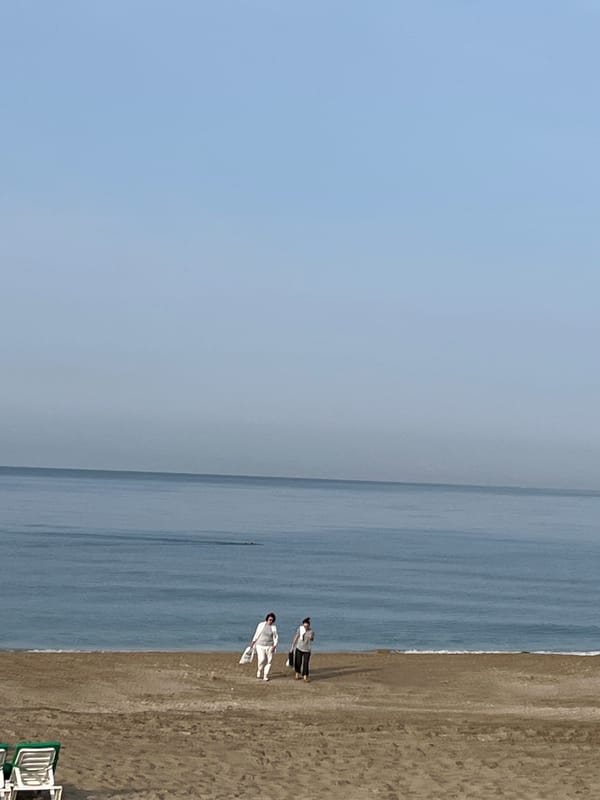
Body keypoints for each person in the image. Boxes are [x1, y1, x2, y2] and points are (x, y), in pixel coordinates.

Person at [249, 612, 278, 681]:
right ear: (267, 619)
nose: (270, 621)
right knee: (261, 659)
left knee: (269, 661)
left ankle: (265, 675)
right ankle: (259, 670)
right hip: (260, 645)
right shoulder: (261, 625)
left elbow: (275, 637)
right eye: (269, 619)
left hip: (269, 645)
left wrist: (275, 646)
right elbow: (257, 633)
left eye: (272, 620)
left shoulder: (274, 627)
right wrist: (253, 642)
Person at [291, 617, 315, 682]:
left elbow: (312, 639)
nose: (305, 627)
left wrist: (311, 637)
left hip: (307, 649)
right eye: (304, 626)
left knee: (306, 663)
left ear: (309, 626)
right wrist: (293, 645)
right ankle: (297, 674)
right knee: (298, 662)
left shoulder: (311, 631)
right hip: (299, 647)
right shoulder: (300, 629)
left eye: (306, 626)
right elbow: (296, 636)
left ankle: (305, 676)